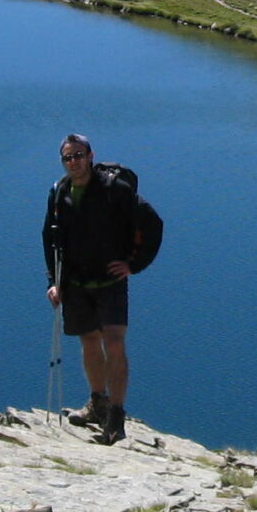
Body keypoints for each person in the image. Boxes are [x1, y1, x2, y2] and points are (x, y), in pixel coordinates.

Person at [42, 133, 162, 444]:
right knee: (89, 342)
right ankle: (97, 403)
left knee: (115, 342)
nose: (74, 162)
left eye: (79, 155)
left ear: (91, 155)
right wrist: (53, 283)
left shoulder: (114, 190)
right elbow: (49, 240)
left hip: (110, 282)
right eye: (68, 157)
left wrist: (133, 265)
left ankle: (116, 415)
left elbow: (152, 223)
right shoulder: (58, 193)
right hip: (77, 283)